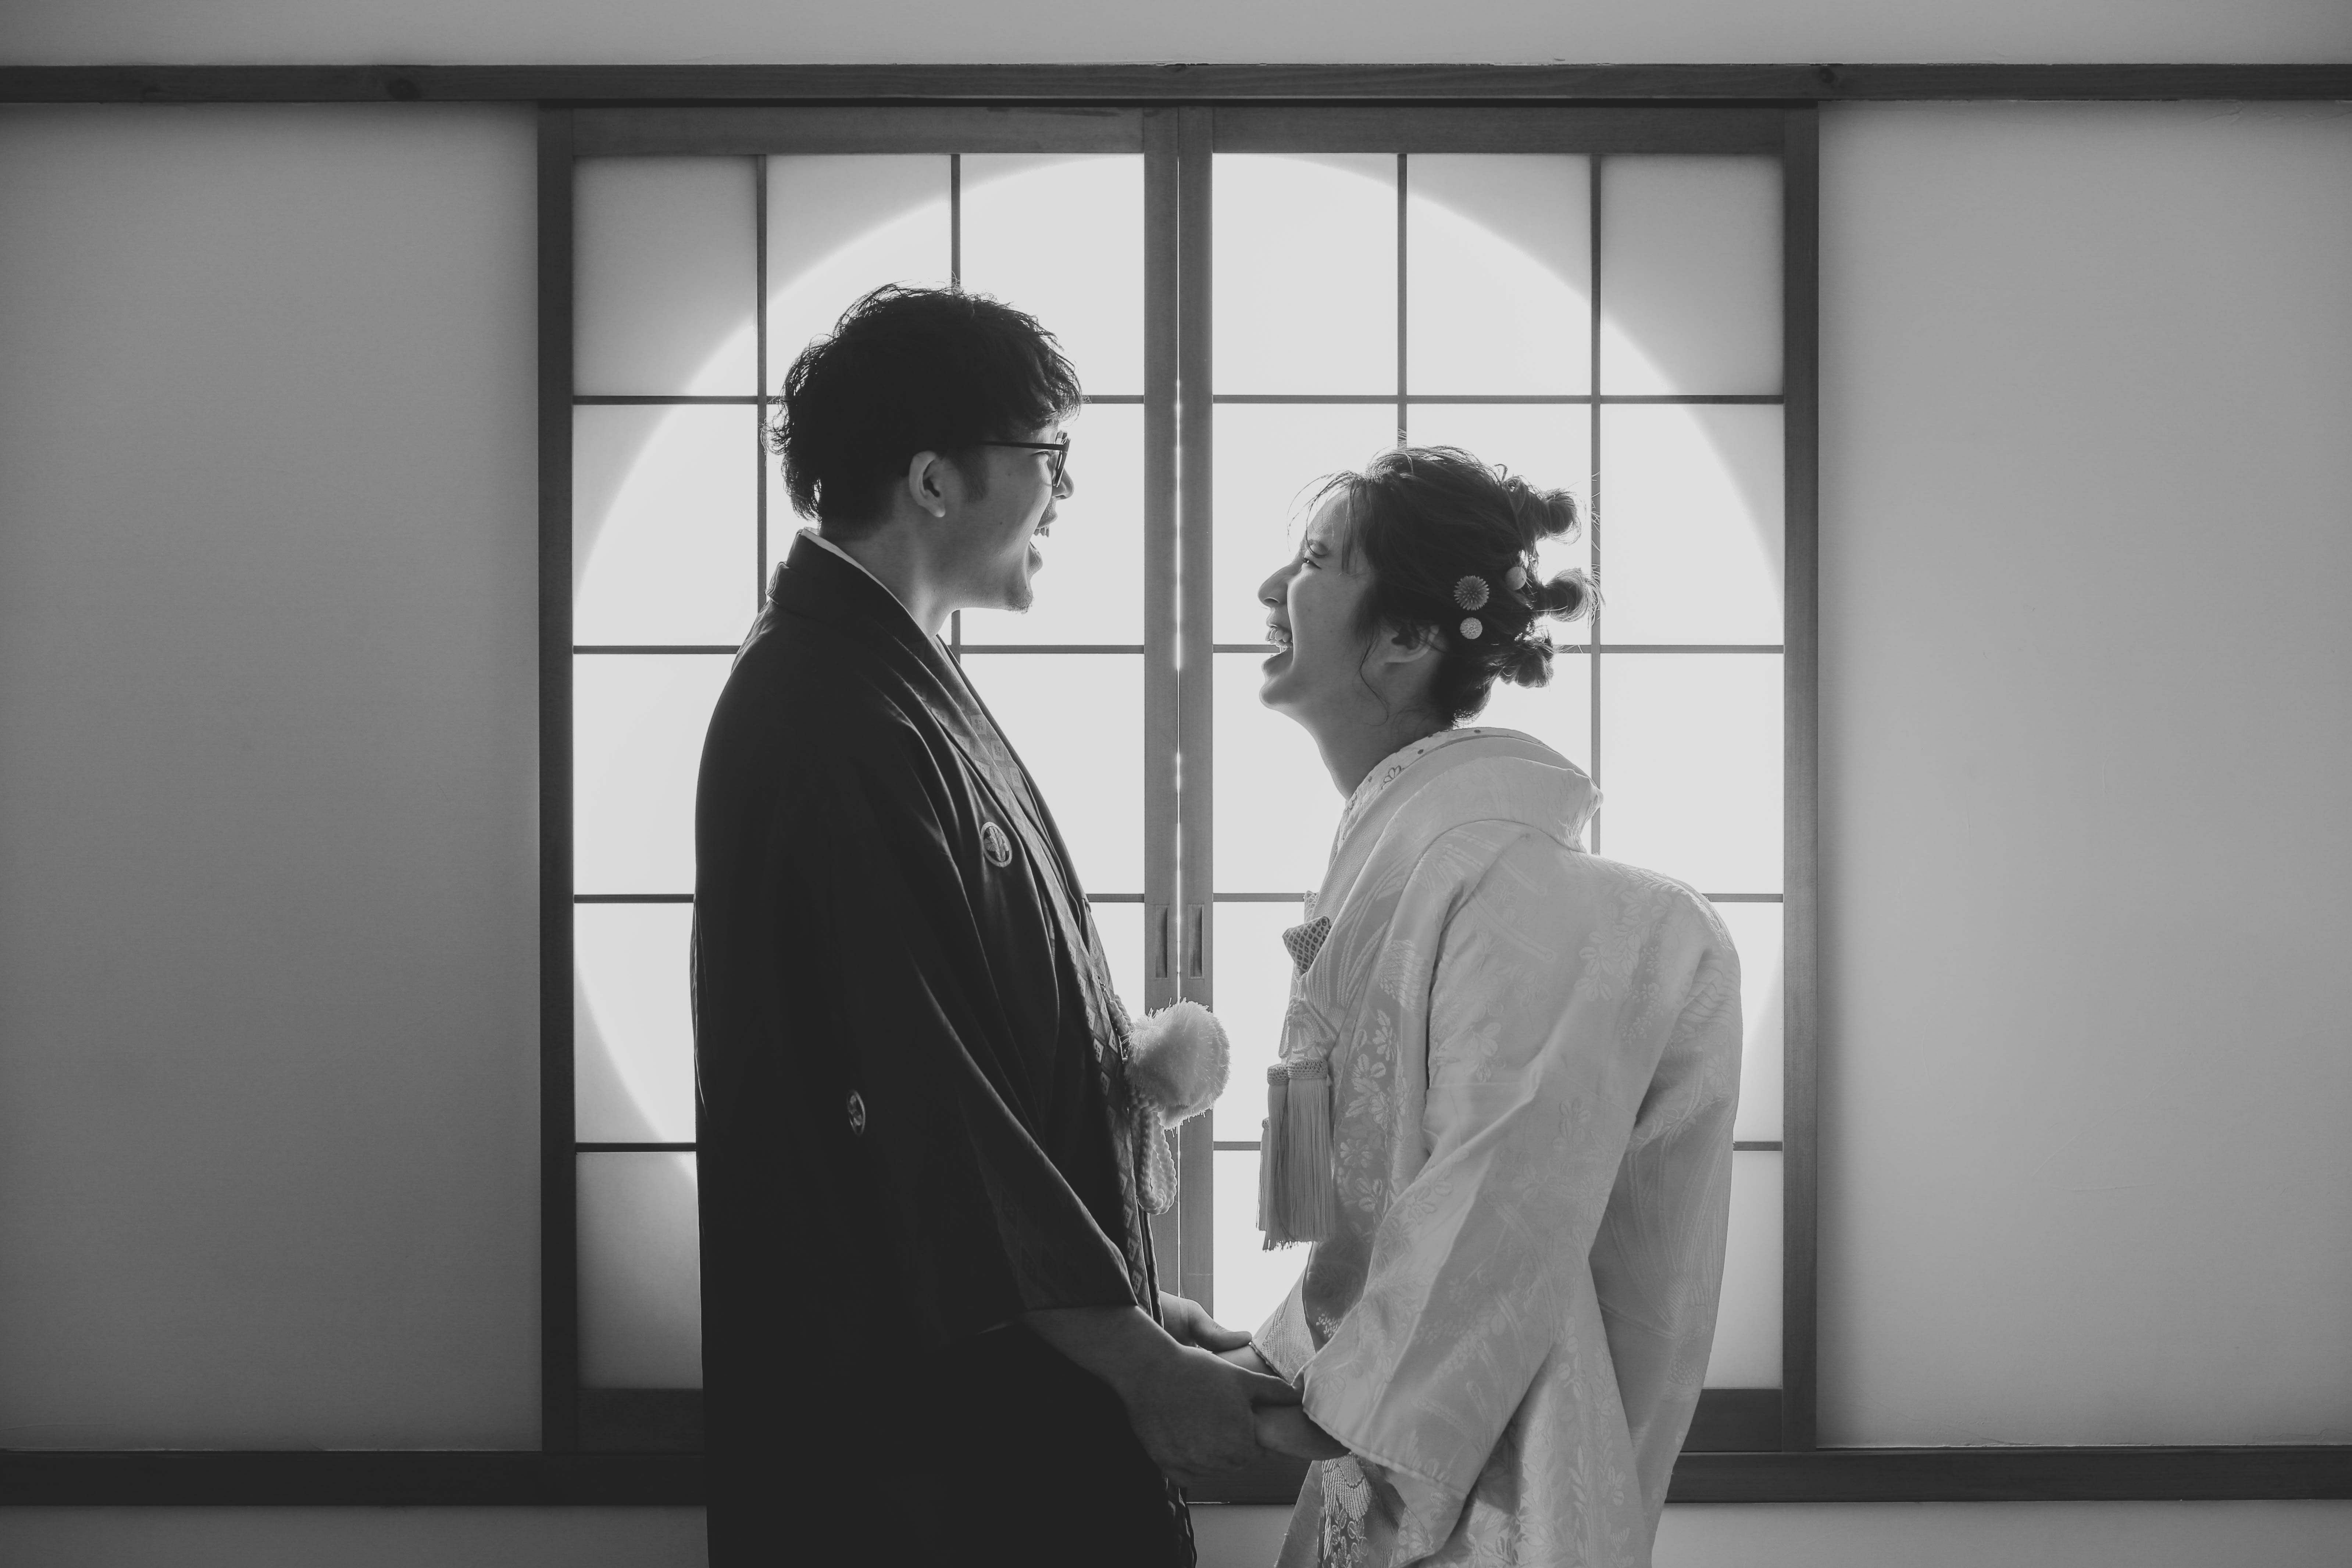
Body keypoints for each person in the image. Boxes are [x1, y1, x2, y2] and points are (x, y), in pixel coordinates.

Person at [692, 285, 1298, 1567]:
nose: (1064, 495)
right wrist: (1135, 1357)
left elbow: (999, 1062)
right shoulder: (828, 717)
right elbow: (929, 1099)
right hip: (919, 1433)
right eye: (1047, 457)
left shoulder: (880, 684)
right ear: (932, 480)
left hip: (985, 1369)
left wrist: (1144, 1308)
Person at [1231, 447, 1744, 1567]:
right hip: (1397, 1440)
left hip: (1495, 1467)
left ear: (1410, 638)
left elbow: (1492, 1196)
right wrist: (1278, 1361)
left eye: (1314, 560)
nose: (1272, 588)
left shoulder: (1509, 882)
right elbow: (1378, 1212)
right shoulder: (1413, 858)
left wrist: (1320, 1407)